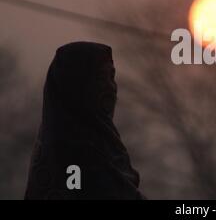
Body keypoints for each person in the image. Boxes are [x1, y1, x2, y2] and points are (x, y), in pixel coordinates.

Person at [25, 42, 145, 200]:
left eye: (112, 77)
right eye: (102, 78)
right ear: (79, 86)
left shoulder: (104, 147)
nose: (112, 87)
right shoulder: (76, 153)